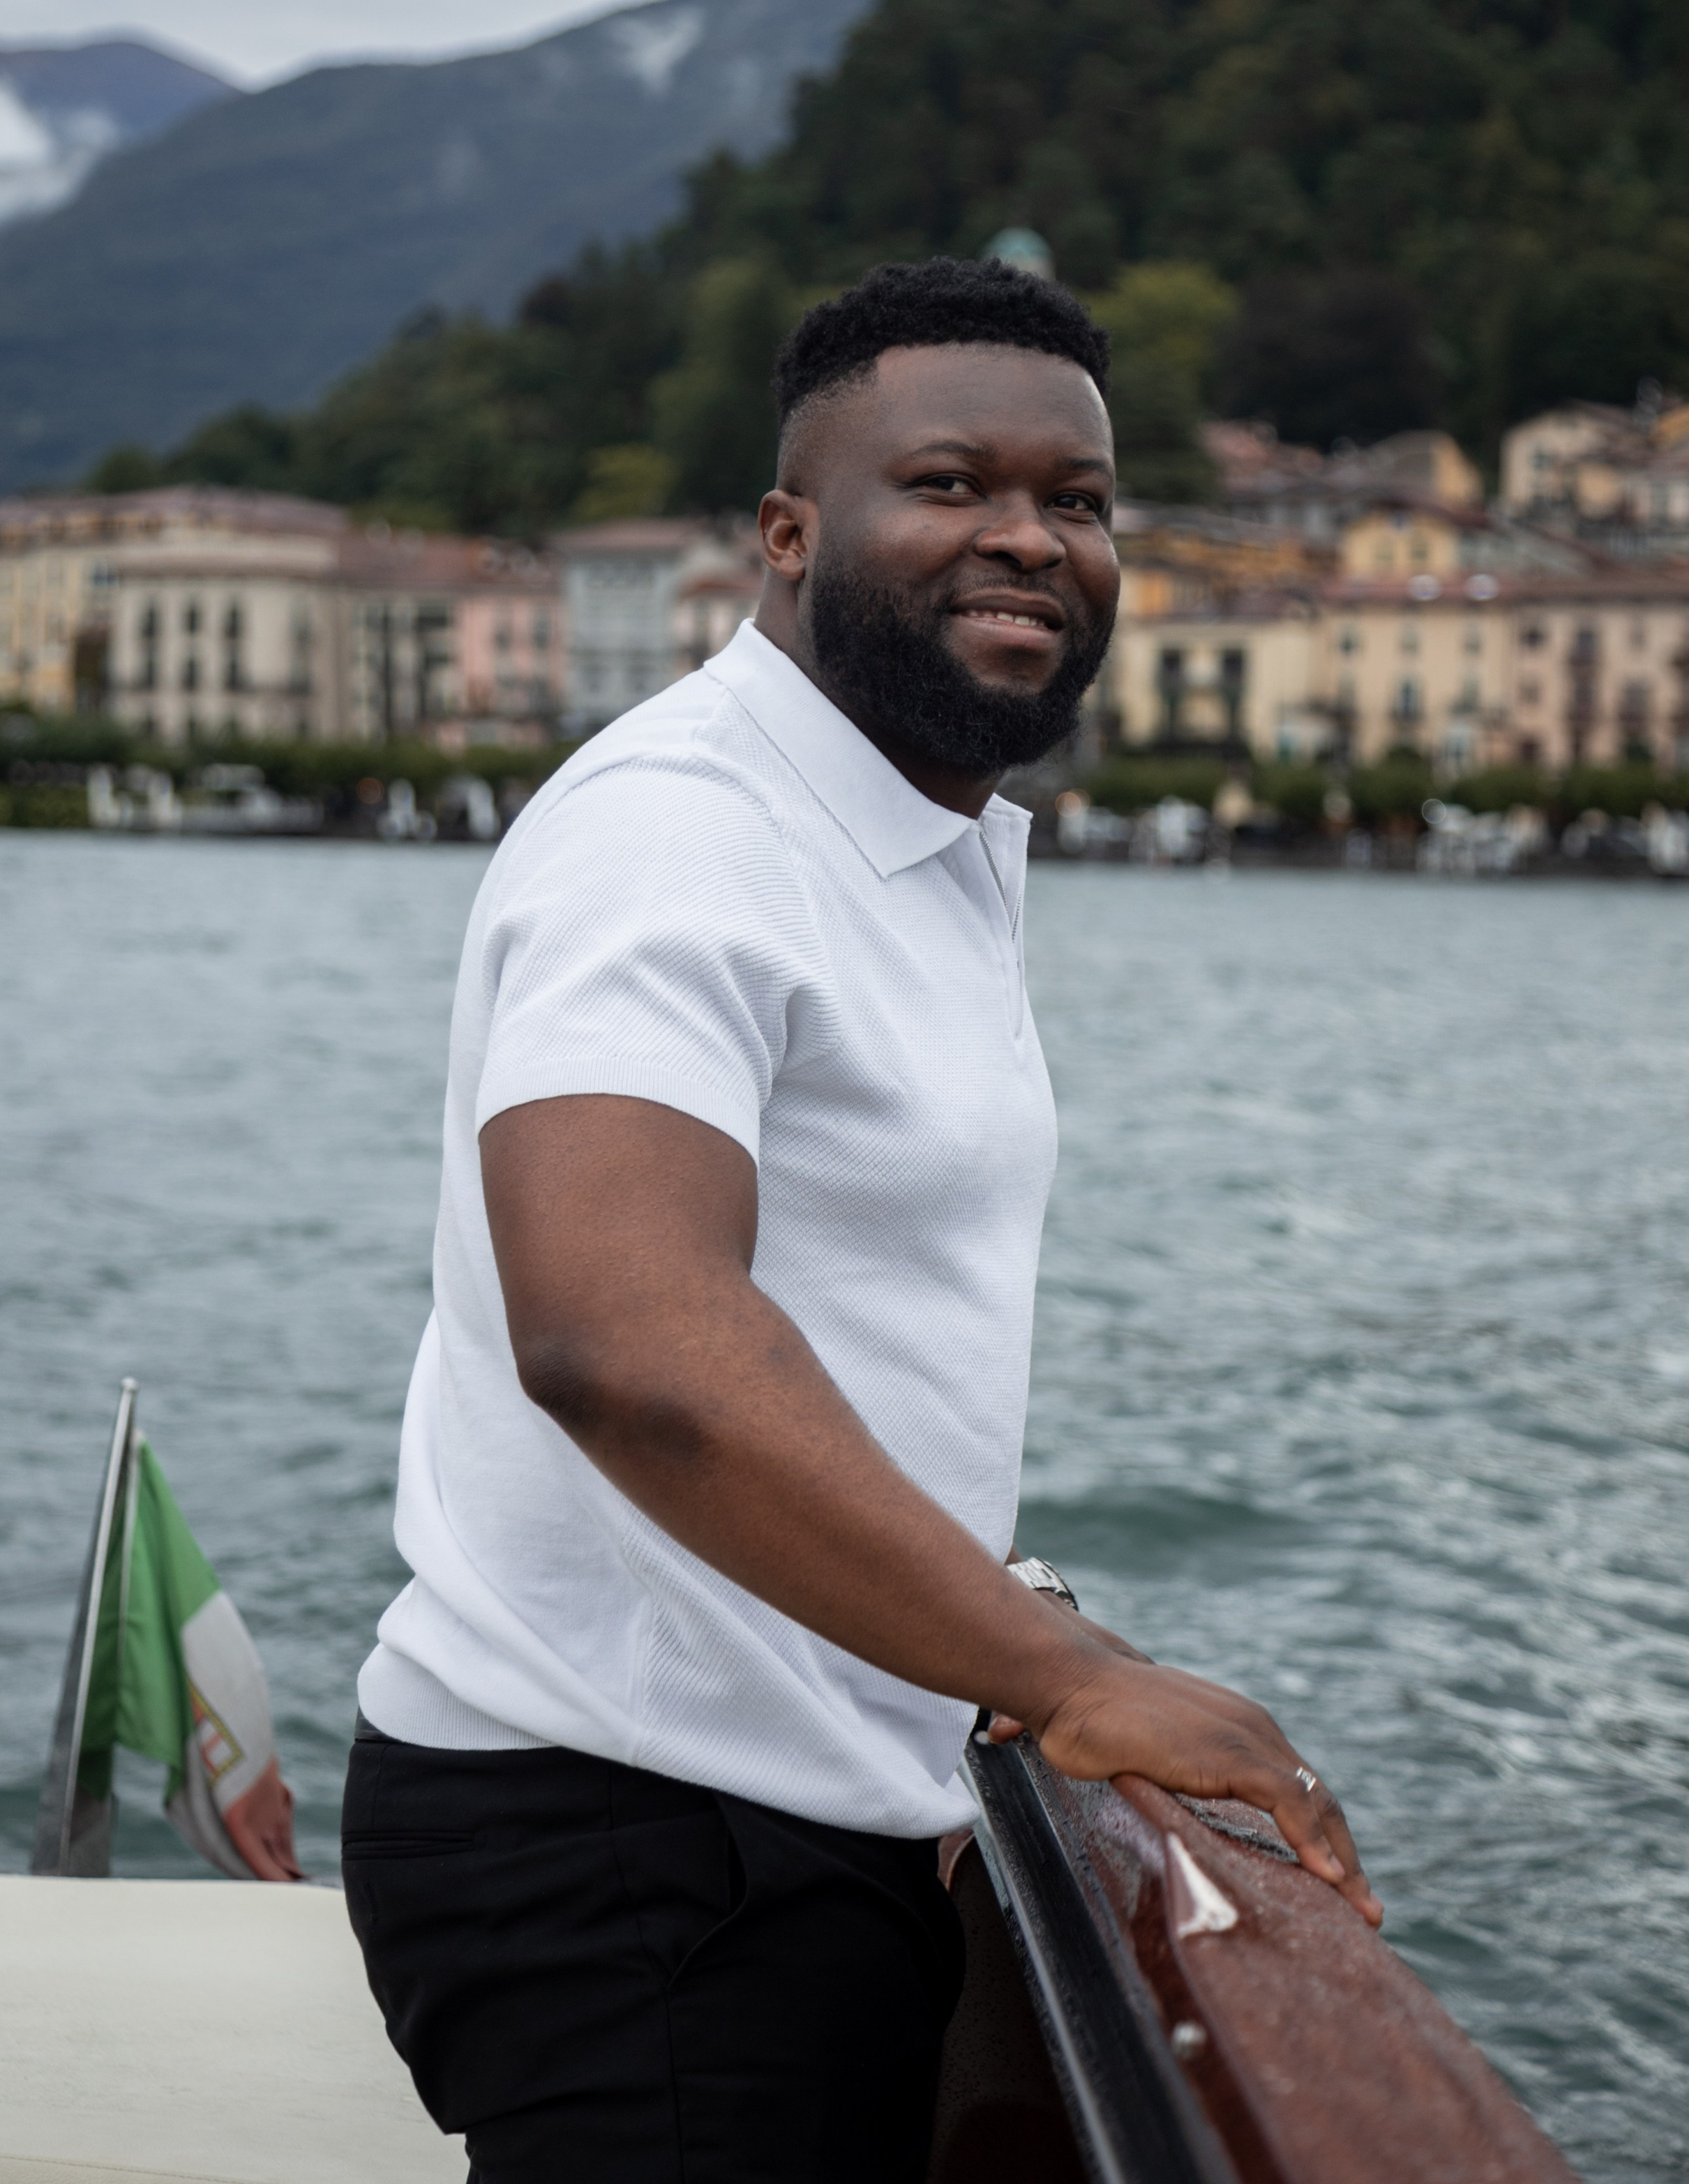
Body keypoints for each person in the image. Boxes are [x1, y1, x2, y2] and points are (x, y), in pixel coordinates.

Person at [342, 256, 1379, 2184]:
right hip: (627, 1849)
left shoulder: (917, 832)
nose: (1028, 537)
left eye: (1077, 499)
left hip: (772, 1809)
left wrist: (947, 1673)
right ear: (787, 534)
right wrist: (1062, 1675)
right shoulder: (685, 832)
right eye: (953, 482)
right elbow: (623, 1336)